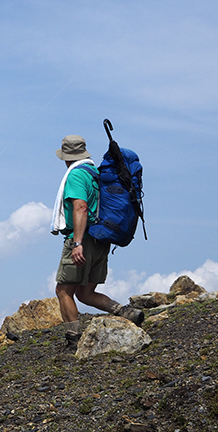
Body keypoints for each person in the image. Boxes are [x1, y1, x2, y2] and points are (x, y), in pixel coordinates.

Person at [51, 135, 144, 351]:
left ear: (66, 157)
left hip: (84, 238)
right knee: (85, 293)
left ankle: (73, 340)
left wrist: (77, 243)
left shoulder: (76, 175)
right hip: (102, 238)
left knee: (63, 290)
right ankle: (126, 312)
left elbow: (81, 207)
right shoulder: (96, 173)